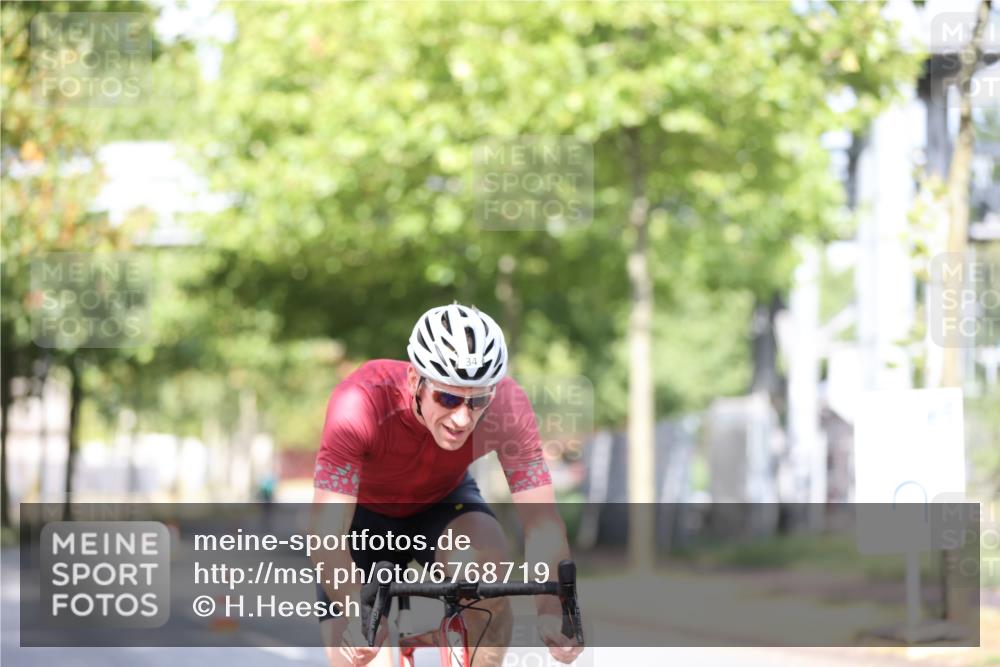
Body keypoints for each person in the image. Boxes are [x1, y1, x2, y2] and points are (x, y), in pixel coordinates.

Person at [310, 303, 583, 667]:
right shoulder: (359, 402)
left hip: (442, 503)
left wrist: (550, 610)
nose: (462, 418)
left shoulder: (508, 407)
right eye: (448, 398)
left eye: (478, 400)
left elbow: (541, 522)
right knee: (360, 654)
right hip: (362, 518)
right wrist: (354, 608)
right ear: (414, 381)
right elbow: (326, 532)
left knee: (486, 574)